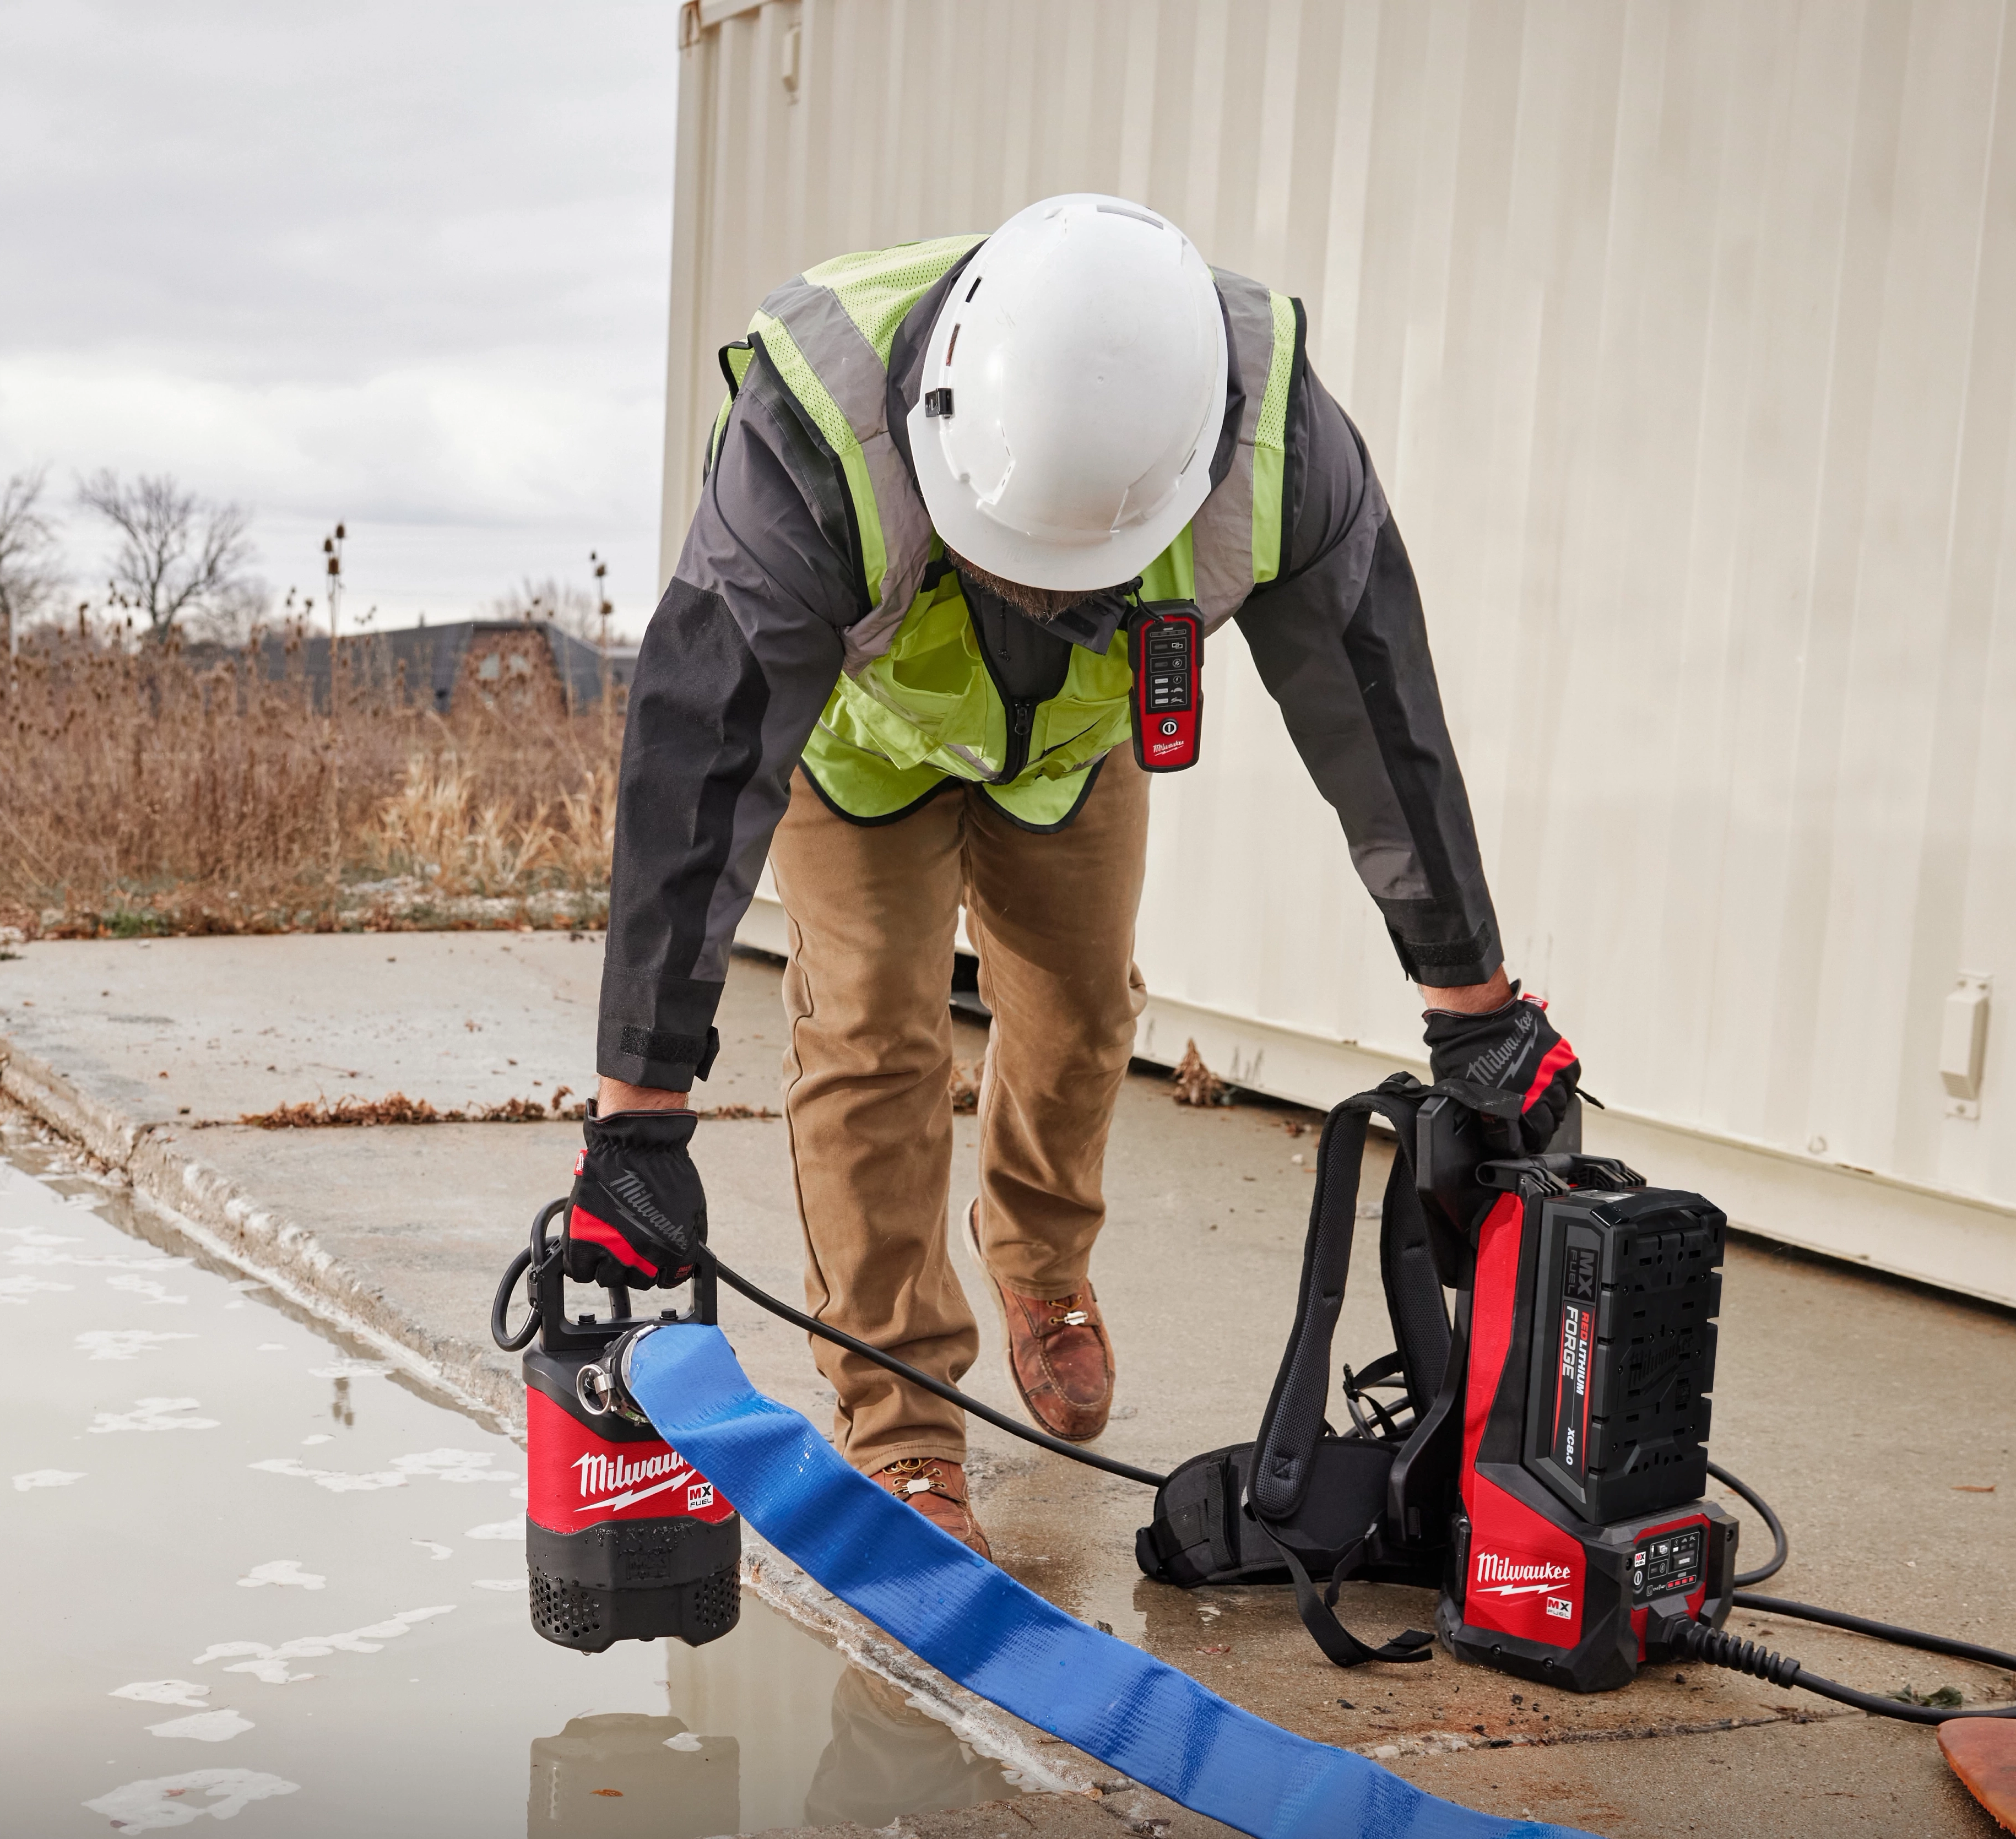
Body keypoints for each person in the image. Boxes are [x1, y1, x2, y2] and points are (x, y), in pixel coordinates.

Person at [568, 194, 1579, 1560]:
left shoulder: (1275, 449)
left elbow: (1375, 720)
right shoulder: (813, 445)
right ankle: (906, 1417)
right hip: (863, 752)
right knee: (873, 1033)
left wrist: (1472, 1001)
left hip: (1073, 747)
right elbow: (694, 771)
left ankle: (1038, 1265)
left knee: (1083, 1004)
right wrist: (636, 1122)